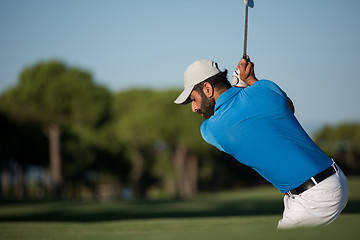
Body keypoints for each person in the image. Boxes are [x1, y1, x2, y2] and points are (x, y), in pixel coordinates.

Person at [174, 56, 349, 228]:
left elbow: (237, 115)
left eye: (193, 99)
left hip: (316, 197)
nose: (194, 108)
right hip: (328, 181)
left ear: (207, 89)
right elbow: (288, 107)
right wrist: (250, 81)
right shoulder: (265, 88)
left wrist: (241, 87)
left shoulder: (211, 130)